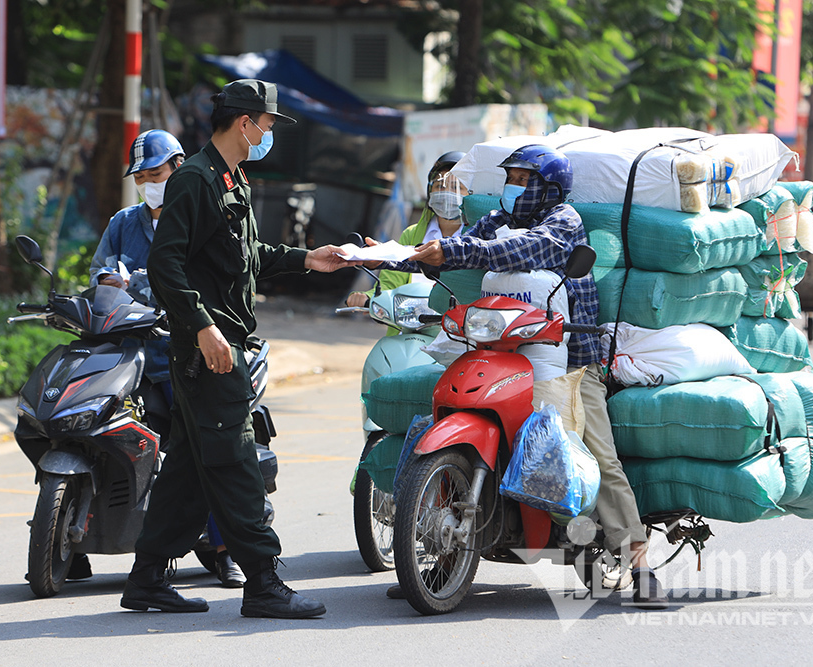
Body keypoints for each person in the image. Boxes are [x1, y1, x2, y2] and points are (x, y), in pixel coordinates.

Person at [375, 144, 669, 609]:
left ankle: (638, 562)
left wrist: (452, 246)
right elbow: (457, 252)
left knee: (599, 457)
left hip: (570, 362)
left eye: (522, 178)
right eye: (510, 177)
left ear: (548, 188)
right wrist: (393, 258)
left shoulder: (564, 222)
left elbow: (521, 250)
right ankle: (441, 563)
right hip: (505, 352)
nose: (512, 187)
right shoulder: (496, 218)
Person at [120, 79, 357, 619]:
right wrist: (203, 327)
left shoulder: (232, 179)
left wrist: (306, 259)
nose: (270, 133)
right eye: (268, 124)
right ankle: (265, 583)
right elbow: (165, 265)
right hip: (209, 351)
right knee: (236, 464)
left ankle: (146, 578)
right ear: (245, 121)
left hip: (224, 342)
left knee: (188, 467)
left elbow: (246, 255)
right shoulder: (193, 182)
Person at [87, 129, 246, 589]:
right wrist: (108, 281)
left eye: (154, 174)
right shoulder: (123, 222)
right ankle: (72, 535)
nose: (146, 184)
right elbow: (101, 268)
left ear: (178, 168)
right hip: (129, 353)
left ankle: (223, 550)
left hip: (183, 356)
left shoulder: (198, 212)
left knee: (202, 452)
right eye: (140, 177)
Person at [344, 151, 467, 311]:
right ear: (430, 192)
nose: (446, 193)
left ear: (472, 193)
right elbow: (392, 283)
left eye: (456, 187)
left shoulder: (478, 237)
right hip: (411, 324)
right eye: (439, 186)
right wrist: (369, 296)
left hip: (458, 328)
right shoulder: (412, 233)